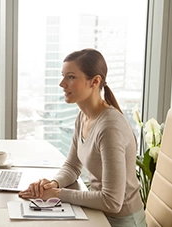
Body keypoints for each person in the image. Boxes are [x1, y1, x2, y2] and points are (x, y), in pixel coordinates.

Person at [18, 48, 146, 227]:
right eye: (63, 76)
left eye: (71, 77)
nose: (62, 83)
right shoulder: (83, 116)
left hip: (121, 221)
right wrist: (52, 184)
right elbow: (72, 165)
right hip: (99, 213)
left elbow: (112, 201)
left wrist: (57, 194)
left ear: (95, 81)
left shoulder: (109, 128)